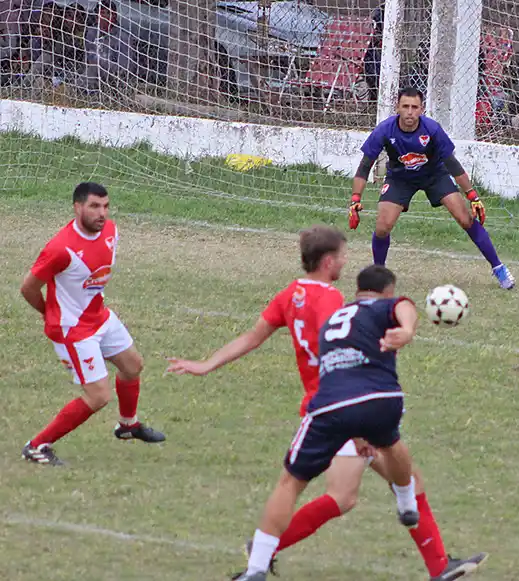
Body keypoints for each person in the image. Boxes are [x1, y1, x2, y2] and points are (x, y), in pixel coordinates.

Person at [166, 226, 487, 581]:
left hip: (326, 405)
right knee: (363, 488)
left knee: (359, 491)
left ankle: (438, 565)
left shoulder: (290, 295)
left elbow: (252, 337)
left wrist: (207, 363)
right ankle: (265, 549)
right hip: (340, 405)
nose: (346, 262)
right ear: (329, 261)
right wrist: (359, 431)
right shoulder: (332, 301)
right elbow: (337, 355)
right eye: (343, 256)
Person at [229, 265, 474, 581]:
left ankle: (439, 566)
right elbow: (403, 306)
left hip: (338, 409)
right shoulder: (379, 311)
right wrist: (407, 329)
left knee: (398, 480)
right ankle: (266, 547)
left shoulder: (340, 319)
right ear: (387, 293)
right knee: (346, 495)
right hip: (350, 413)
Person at [19, 182, 165, 466]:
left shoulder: (110, 231)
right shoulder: (60, 249)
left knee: (132, 365)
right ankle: (36, 446)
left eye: (106, 206)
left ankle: (128, 426)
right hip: (73, 330)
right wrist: (50, 314)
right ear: (77, 207)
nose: (102, 213)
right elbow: (28, 288)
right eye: (94, 206)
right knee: (98, 396)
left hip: (99, 317)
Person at [348, 86, 515, 290]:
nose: (410, 112)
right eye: (405, 106)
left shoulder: (432, 129)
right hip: (400, 178)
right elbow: (365, 165)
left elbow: (453, 164)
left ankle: (498, 267)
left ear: (422, 109)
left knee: (465, 218)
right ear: (397, 108)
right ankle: (378, 276)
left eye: (415, 107)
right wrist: (355, 198)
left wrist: (473, 196)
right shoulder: (384, 130)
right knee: (383, 226)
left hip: (435, 175)